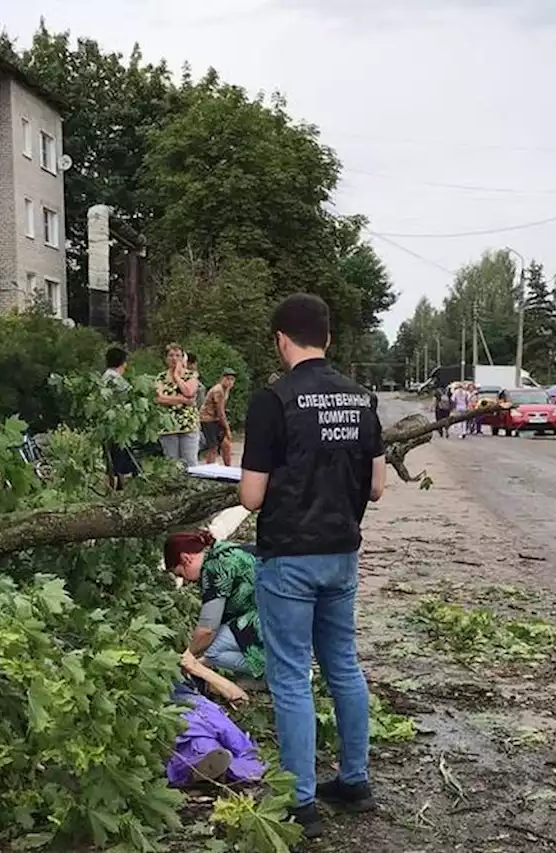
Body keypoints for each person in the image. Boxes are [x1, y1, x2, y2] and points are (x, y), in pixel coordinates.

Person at [239, 293, 386, 838]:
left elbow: (252, 497)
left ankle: (301, 802)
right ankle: (355, 780)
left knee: (292, 677)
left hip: (290, 558)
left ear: (282, 339)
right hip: (342, 553)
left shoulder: (272, 402)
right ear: (328, 338)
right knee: (343, 665)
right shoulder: (362, 399)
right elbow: (375, 487)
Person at [165, 531, 265, 677]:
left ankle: (279, 672)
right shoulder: (224, 550)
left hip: (272, 617)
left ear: (185, 558)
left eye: (181, 574)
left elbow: (207, 630)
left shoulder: (214, 569)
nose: (185, 581)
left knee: (213, 649)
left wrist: (188, 656)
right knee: (223, 638)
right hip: (287, 606)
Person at [155, 343, 200, 467]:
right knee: (172, 463)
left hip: (188, 425)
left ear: (183, 358)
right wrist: (182, 400)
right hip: (168, 427)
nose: (174, 358)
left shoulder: (191, 375)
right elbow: (160, 398)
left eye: (178, 355)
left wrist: (176, 376)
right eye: (171, 355)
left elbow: (189, 392)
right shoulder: (161, 377)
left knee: (190, 462)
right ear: (166, 358)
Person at [102, 347, 141, 488]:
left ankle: (117, 482)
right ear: (123, 363)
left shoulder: (105, 376)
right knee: (121, 455)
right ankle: (121, 484)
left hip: (110, 424)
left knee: (114, 456)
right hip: (120, 424)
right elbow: (130, 397)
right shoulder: (115, 379)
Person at [200, 370, 237, 465]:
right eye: (227, 379)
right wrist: (227, 428)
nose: (230, 382)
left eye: (232, 379)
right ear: (222, 379)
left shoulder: (226, 390)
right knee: (213, 447)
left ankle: (228, 468)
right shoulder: (218, 390)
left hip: (215, 418)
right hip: (208, 419)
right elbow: (220, 411)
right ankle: (209, 468)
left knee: (226, 444)